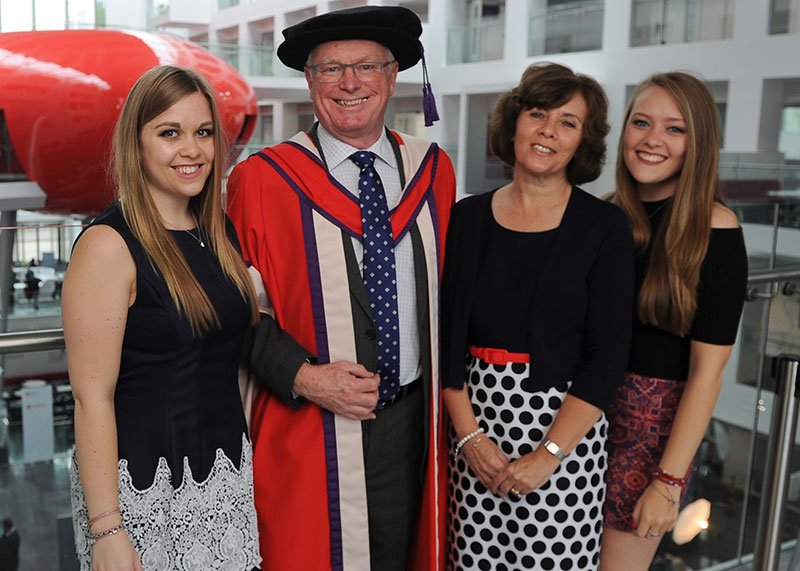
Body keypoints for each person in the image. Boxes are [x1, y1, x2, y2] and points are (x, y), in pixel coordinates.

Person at [227, 6, 455, 570]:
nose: (349, 83)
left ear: (393, 73)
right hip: (307, 426)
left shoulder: (434, 172)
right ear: (308, 81)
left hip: (415, 423)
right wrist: (303, 375)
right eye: (330, 69)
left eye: (365, 66)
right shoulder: (261, 179)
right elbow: (228, 310)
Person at [62, 65, 261, 571]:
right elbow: (91, 398)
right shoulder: (108, 245)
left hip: (224, 481)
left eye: (204, 132)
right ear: (137, 143)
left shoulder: (217, 232)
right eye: (169, 133)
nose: (191, 149)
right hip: (144, 497)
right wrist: (107, 530)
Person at [441, 62, 634, 571]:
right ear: (514, 124)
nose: (548, 130)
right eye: (537, 113)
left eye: (568, 122)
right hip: (476, 425)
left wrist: (548, 454)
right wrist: (469, 440)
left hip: (564, 436)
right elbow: (446, 339)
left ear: (582, 143)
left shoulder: (605, 228)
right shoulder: (466, 218)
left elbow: (609, 354)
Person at [599, 72, 748, 570]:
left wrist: (668, 481)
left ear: (698, 142)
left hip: (650, 436)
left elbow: (709, 371)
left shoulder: (716, 227)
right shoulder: (604, 215)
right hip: (577, 414)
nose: (652, 140)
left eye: (674, 129)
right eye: (641, 122)